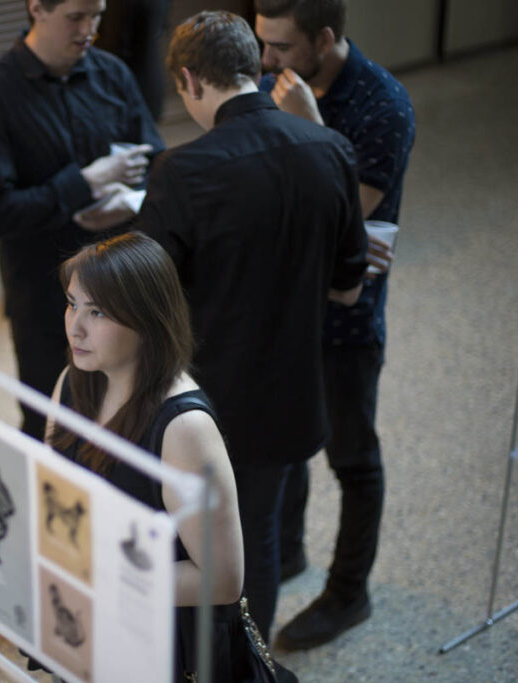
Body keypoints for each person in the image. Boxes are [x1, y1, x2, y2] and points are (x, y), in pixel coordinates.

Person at [138, 10, 368, 636]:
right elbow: (348, 288)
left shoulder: (181, 173)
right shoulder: (331, 150)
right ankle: (252, 665)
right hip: (293, 396)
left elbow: (144, 306)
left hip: (205, 408)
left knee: (202, 552)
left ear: (189, 79)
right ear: (256, 66)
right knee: (257, 541)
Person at [49, 232, 291, 682]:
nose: (74, 327)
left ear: (147, 320)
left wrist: (99, 576)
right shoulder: (74, 379)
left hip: (168, 636)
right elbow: (55, 489)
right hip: (91, 611)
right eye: (72, 303)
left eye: (97, 311)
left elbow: (221, 579)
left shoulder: (184, 428)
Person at [254, 0, 416, 650]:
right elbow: (261, 185)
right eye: (263, 45)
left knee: (353, 458)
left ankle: (350, 592)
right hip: (284, 304)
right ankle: (287, 553)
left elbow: (346, 220)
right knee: (285, 442)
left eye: (281, 48)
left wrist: (312, 129)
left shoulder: (385, 106)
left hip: (347, 322)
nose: (266, 64)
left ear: (324, 38)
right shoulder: (272, 82)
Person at [0, 0, 164, 442]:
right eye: (76, 17)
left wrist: (129, 200)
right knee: (52, 426)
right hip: (43, 298)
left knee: (128, 422)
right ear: (37, 8)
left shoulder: (112, 73)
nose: (90, 29)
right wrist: (84, 182)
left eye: (97, 15)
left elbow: (155, 162)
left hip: (118, 289)